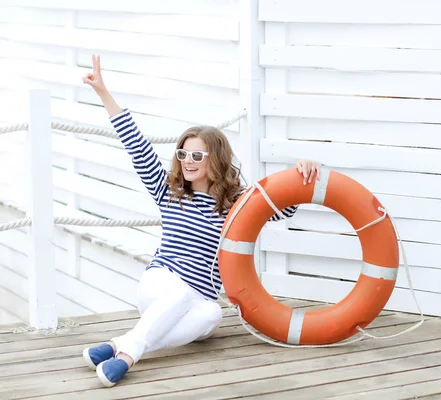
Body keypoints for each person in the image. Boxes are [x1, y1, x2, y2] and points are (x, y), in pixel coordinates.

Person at [80, 55, 320, 387]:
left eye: (197, 155)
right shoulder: (170, 191)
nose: (188, 162)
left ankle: (118, 343)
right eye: (183, 154)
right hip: (159, 286)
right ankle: (126, 357)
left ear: (215, 159)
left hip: (198, 300)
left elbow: (281, 210)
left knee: (213, 314)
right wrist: (103, 92)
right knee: (178, 296)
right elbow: (136, 145)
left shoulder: (237, 202)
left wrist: (302, 175)